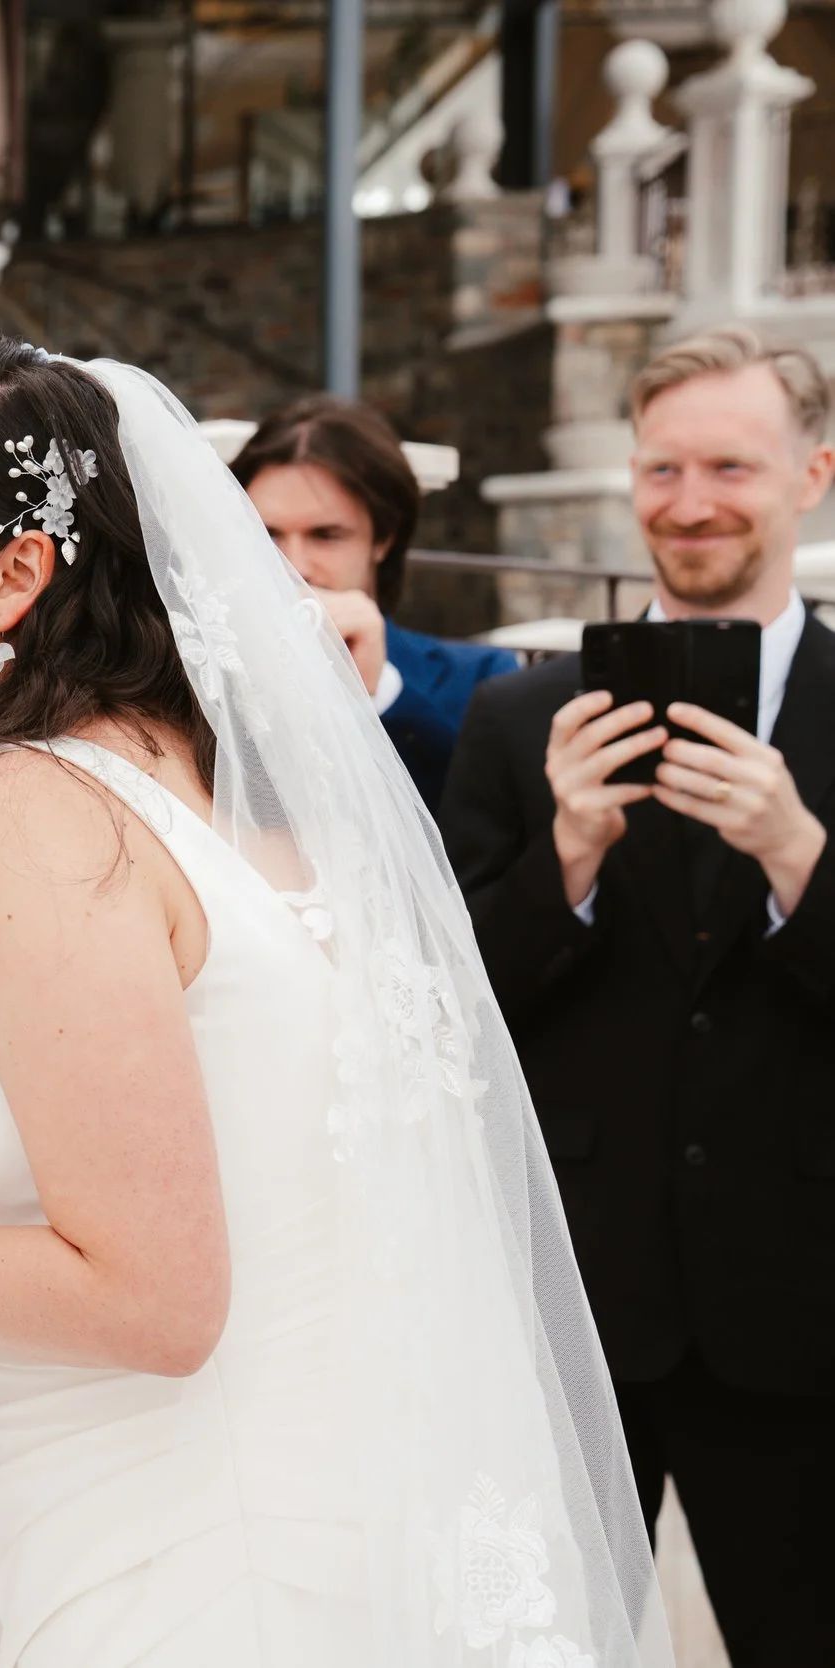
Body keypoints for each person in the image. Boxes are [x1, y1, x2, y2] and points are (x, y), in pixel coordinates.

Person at [0, 342, 664, 1665]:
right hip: (289, 1531)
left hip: (204, 1573)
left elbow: (154, 1301)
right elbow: (84, 1115)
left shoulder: (36, 808)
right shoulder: (185, 783)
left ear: (14, 574)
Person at [440, 324, 835, 1663]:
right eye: (662, 467)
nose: (689, 501)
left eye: (729, 465)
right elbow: (452, 1009)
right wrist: (564, 858)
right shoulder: (519, 721)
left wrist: (799, 855)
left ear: (810, 476)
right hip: (572, 1302)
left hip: (800, 1309)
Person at [232, 395, 517, 810]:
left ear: (383, 538)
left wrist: (379, 691)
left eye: (326, 535)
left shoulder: (481, 679)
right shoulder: (193, 675)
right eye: (267, 534)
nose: (293, 565)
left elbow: (483, 826)